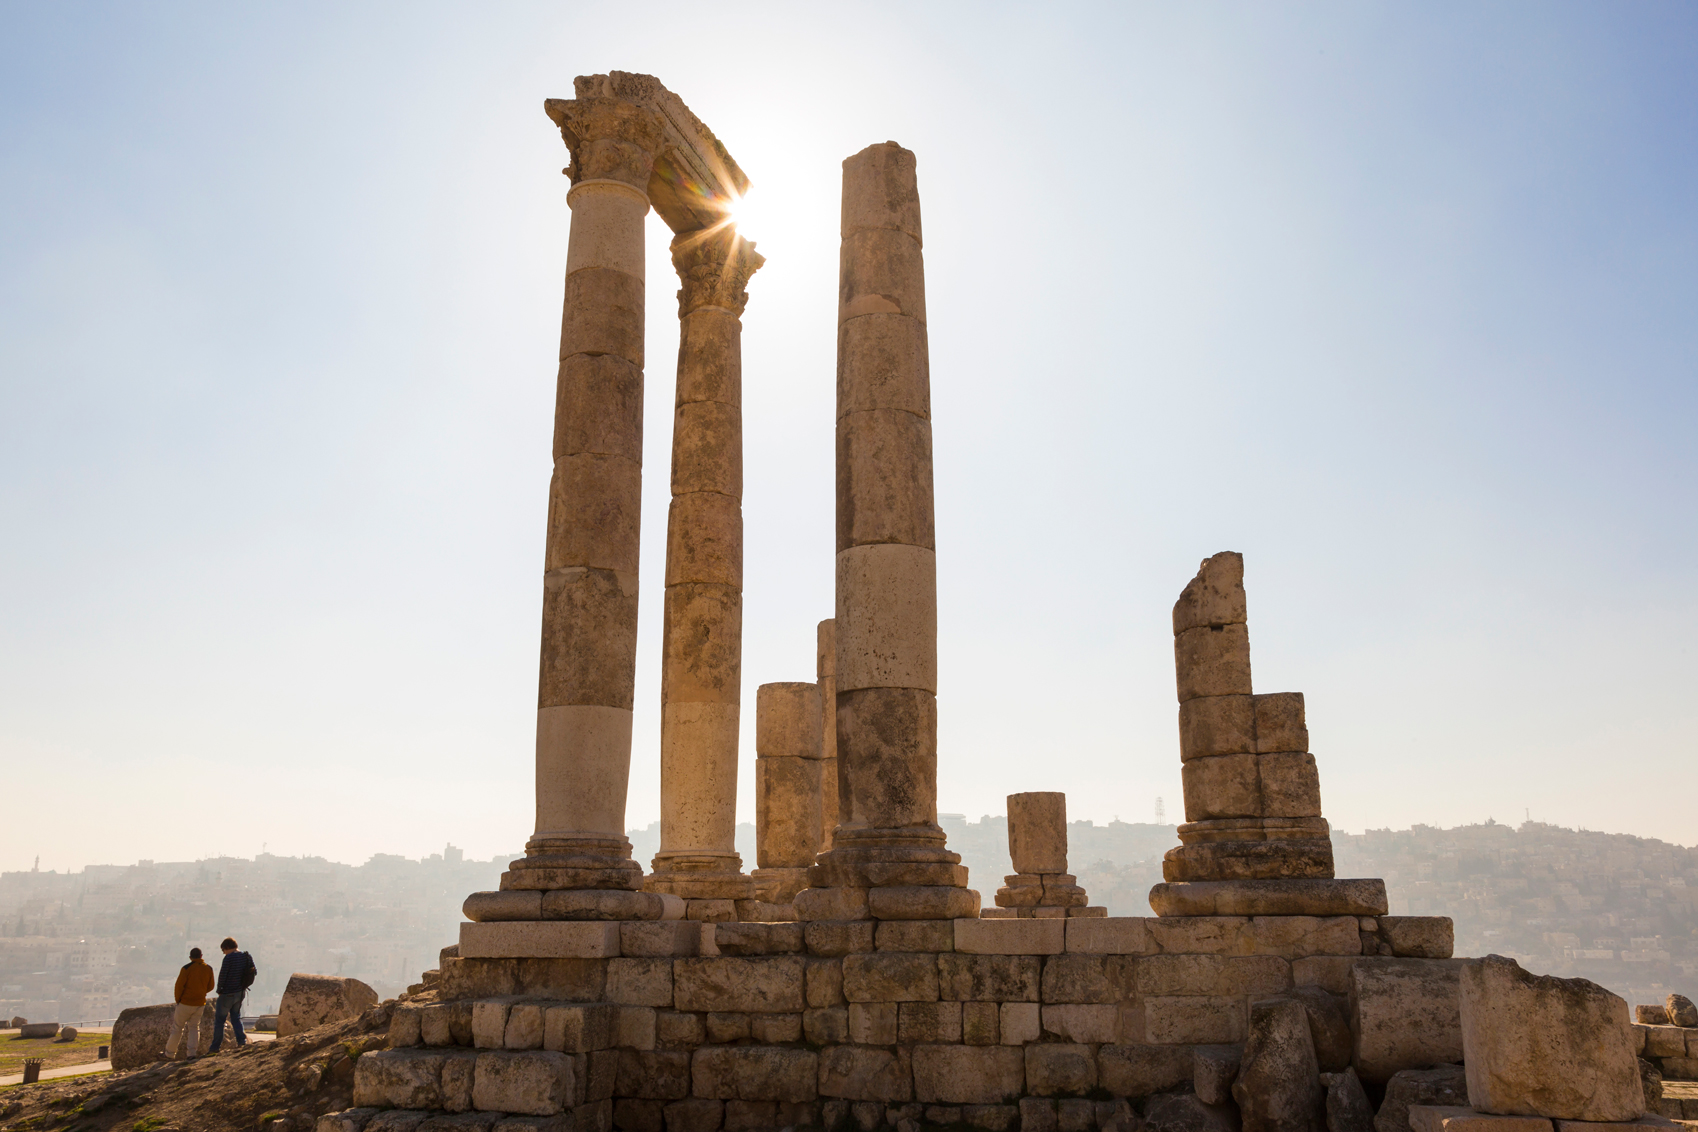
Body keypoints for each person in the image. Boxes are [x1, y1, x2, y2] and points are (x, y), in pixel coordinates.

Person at [206, 936, 257, 1053]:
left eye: (223, 950)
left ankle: (215, 1047)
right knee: (236, 1017)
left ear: (227, 947)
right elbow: (254, 972)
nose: (224, 953)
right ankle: (241, 1041)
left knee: (220, 1020)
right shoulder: (246, 956)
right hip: (240, 992)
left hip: (227, 993)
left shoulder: (229, 958)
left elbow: (223, 975)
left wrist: (219, 990)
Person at [163, 946, 215, 1059]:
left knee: (177, 1028)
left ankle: (169, 1054)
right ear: (201, 956)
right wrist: (201, 992)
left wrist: (178, 1000)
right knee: (194, 1027)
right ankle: (191, 1053)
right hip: (200, 1003)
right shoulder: (208, 969)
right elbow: (211, 986)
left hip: (185, 1003)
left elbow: (179, 986)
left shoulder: (186, 968)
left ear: (190, 957)